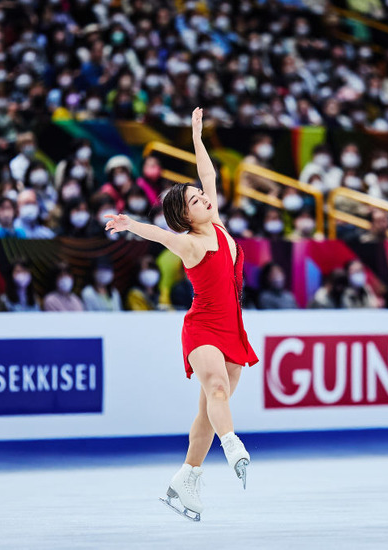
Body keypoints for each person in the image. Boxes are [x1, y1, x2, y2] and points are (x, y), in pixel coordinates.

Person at [105, 108, 257, 521]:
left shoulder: (220, 227)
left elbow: (208, 176)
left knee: (206, 408)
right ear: (185, 216)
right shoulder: (191, 244)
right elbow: (159, 234)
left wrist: (197, 137)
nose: (204, 198)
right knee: (217, 391)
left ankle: (186, 478)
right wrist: (131, 223)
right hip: (202, 329)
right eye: (194, 200)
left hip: (233, 330)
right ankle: (233, 446)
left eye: (200, 196)